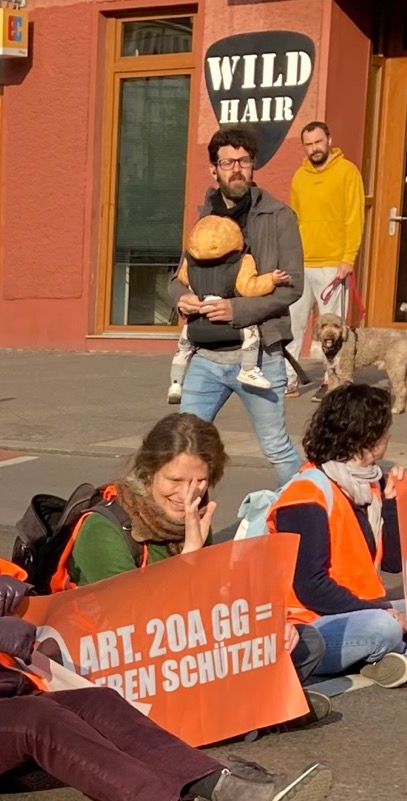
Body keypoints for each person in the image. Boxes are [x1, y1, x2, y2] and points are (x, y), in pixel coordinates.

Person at [0, 425, 330, 801]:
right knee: (37, 718)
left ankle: (223, 788)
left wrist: (5, 588)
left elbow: (14, 583)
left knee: (95, 700)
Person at [271, 384, 407, 690]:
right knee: (384, 628)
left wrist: (393, 502)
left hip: (362, 609)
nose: (389, 437)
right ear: (370, 436)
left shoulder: (372, 483)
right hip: (309, 625)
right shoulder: (306, 493)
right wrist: (382, 610)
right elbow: (310, 587)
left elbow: (395, 561)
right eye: (386, 429)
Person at [175, 128, 305, 487]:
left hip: (261, 356)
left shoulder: (278, 215)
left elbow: (293, 284)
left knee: (276, 447)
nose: (237, 169)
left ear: (253, 166)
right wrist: (179, 299)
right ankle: (181, 527)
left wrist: (239, 311)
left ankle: (310, 517)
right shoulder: (204, 216)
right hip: (206, 356)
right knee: (182, 447)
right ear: (213, 169)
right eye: (228, 162)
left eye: (244, 161)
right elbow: (178, 277)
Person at [55, 413, 225, 587]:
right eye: (175, 480)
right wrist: (189, 557)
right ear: (149, 473)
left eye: (200, 481)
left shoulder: (195, 518)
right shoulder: (103, 530)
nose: (185, 494)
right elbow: (132, 607)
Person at [284, 120, 364, 393]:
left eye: (318, 142)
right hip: (301, 264)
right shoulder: (299, 177)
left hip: (333, 265)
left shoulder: (347, 172)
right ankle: (289, 380)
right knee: (292, 325)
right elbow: (294, 221)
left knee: (332, 330)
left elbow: (354, 218)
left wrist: (348, 258)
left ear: (329, 139)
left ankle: (332, 381)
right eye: (309, 144)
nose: (314, 148)